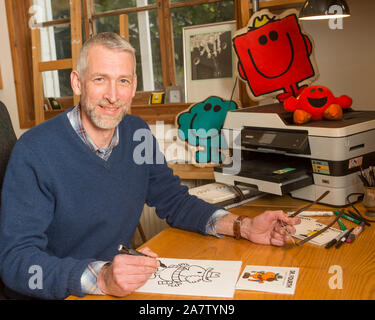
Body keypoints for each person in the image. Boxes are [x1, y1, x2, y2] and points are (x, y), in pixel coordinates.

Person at [0, 32, 300, 300]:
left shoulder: (136, 132)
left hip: (120, 285)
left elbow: (174, 201)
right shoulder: (35, 151)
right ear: (78, 82)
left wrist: (242, 226)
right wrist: (101, 277)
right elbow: (17, 262)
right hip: (64, 293)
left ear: (133, 87)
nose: (113, 96)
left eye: (124, 81)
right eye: (100, 79)